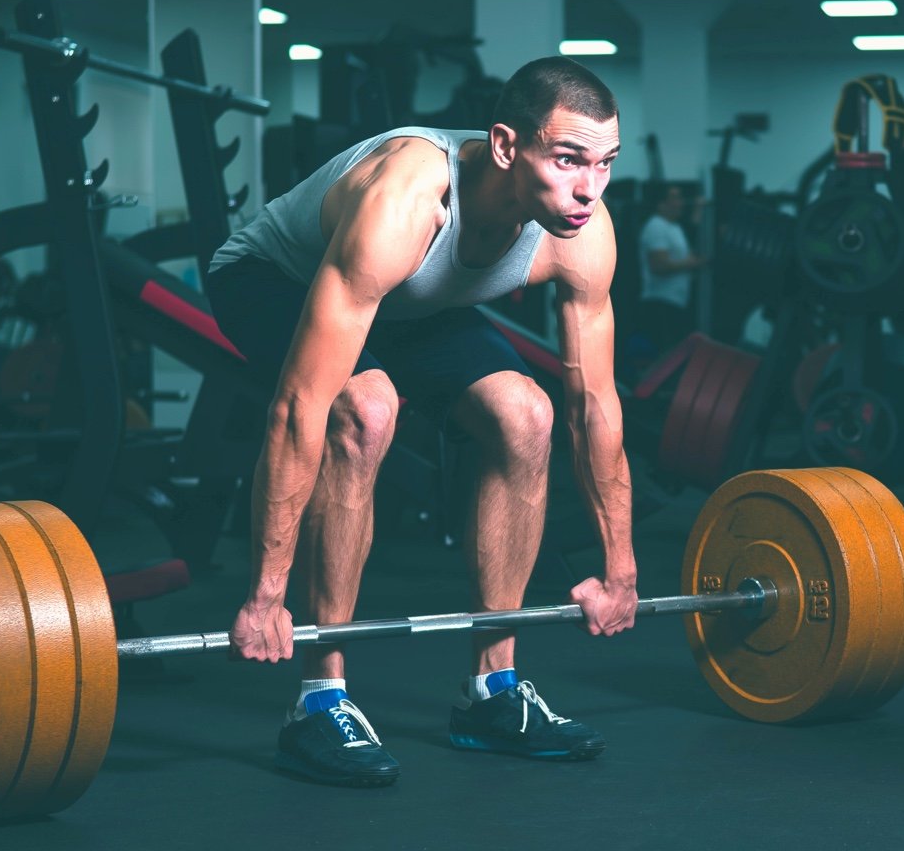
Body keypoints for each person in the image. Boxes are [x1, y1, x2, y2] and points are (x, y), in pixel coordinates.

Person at [204, 56, 638, 788]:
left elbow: (594, 404)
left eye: (604, 164)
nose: (588, 188)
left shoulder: (582, 231)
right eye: (567, 160)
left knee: (526, 416)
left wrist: (620, 568)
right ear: (506, 146)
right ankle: (320, 698)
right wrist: (265, 593)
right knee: (364, 411)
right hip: (275, 278)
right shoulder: (405, 197)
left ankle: (492, 693)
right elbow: (298, 409)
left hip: (413, 302)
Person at [634, 183, 703, 358]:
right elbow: (658, 266)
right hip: (660, 304)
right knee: (664, 359)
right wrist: (693, 264)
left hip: (675, 303)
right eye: (675, 198)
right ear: (661, 204)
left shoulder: (675, 228)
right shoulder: (656, 226)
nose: (680, 203)